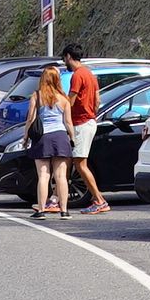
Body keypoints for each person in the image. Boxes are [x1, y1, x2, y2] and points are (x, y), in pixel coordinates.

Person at [59, 45, 109, 214]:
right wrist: (91, 114)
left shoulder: (77, 75)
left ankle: (99, 200)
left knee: (80, 164)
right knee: (76, 162)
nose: (64, 62)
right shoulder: (90, 74)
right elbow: (97, 100)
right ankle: (56, 198)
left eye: (64, 58)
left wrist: (60, 115)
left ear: (68, 56)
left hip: (80, 123)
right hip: (88, 121)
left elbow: (69, 102)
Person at [25, 61, 77, 217]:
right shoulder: (64, 98)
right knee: (61, 176)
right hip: (60, 137)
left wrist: (25, 136)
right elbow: (68, 122)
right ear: (57, 80)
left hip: (42, 138)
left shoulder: (37, 95)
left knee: (43, 175)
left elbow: (30, 119)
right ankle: (64, 210)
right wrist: (72, 138)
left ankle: (41, 210)